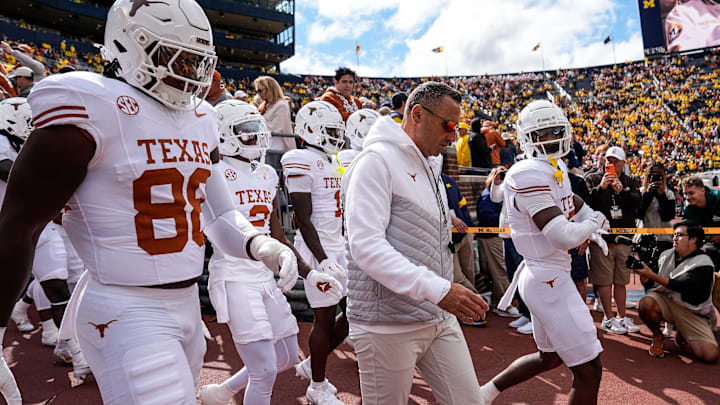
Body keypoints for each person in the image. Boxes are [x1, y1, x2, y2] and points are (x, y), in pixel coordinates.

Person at [0, 2, 297, 404]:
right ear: (129, 46)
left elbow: (222, 216)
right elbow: (20, 225)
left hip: (186, 303)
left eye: (196, 62)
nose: (189, 73)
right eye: (175, 58)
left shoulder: (202, 119)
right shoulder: (91, 106)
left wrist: (261, 244)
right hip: (125, 308)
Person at [343, 81, 489, 405]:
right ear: (418, 114)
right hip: (387, 325)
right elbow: (365, 246)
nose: (453, 137)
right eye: (449, 126)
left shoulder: (431, 165)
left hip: (436, 317)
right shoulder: (375, 162)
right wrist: (440, 290)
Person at [197, 101, 342, 405]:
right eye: (246, 132)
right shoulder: (212, 172)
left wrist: (311, 273)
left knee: (286, 357)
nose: (256, 138)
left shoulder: (266, 173)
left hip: (265, 275)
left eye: (257, 130)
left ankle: (223, 392)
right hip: (234, 276)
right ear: (222, 134)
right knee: (263, 371)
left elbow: (277, 235)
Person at [482, 99, 607, 405]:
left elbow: (570, 199)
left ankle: (481, 395)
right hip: (547, 276)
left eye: (555, 129)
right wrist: (592, 224)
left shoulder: (554, 166)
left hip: (547, 274)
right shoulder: (526, 174)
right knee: (590, 370)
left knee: (548, 358)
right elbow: (562, 236)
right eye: (543, 132)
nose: (552, 136)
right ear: (527, 138)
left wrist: (588, 214)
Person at [281, 101, 348, 405]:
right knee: (324, 319)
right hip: (316, 249)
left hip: (338, 246)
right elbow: (303, 218)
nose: (336, 136)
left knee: (355, 314)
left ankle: (311, 364)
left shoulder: (334, 159)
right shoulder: (300, 158)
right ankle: (317, 387)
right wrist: (322, 260)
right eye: (330, 130)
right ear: (310, 129)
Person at [635, 221, 718, 363]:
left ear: (693, 240)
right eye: (674, 235)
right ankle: (657, 336)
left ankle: (683, 334)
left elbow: (682, 286)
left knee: (710, 355)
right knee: (646, 303)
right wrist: (645, 277)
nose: (674, 238)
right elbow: (653, 285)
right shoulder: (666, 255)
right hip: (669, 303)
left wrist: (652, 275)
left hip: (694, 313)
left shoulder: (704, 263)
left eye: (679, 235)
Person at [585, 145, 643, 335]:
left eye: (615, 161)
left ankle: (621, 316)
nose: (610, 164)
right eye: (608, 160)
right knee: (603, 281)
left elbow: (638, 203)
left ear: (623, 164)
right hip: (602, 239)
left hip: (624, 239)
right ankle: (608, 318)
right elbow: (586, 204)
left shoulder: (630, 180)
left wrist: (622, 192)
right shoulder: (593, 178)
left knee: (621, 280)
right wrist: (601, 188)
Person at [638, 163, 676, 253]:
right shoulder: (640, 192)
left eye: (658, 175)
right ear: (647, 176)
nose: (654, 177)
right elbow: (639, 214)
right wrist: (648, 195)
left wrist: (662, 196)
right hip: (644, 235)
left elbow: (668, 216)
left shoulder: (668, 193)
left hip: (664, 238)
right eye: (652, 175)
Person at [253, 76, 295, 151]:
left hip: (276, 147)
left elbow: (275, 129)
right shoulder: (265, 105)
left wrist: (254, 124)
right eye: (257, 91)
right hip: (266, 145)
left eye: (260, 91)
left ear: (269, 89)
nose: (258, 94)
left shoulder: (281, 105)